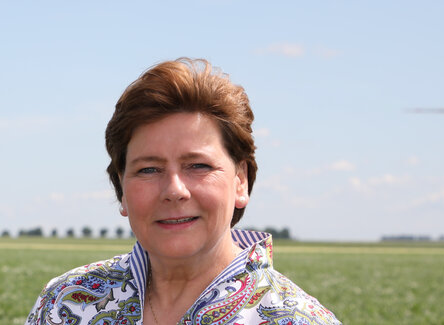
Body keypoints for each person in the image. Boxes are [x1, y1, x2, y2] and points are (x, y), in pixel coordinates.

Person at [25, 58, 341, 325]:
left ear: (240, 180)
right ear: (121, 189)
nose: (174, 190)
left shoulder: (298, 319)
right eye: (148, 169)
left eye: (198, 166)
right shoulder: (64, 304)